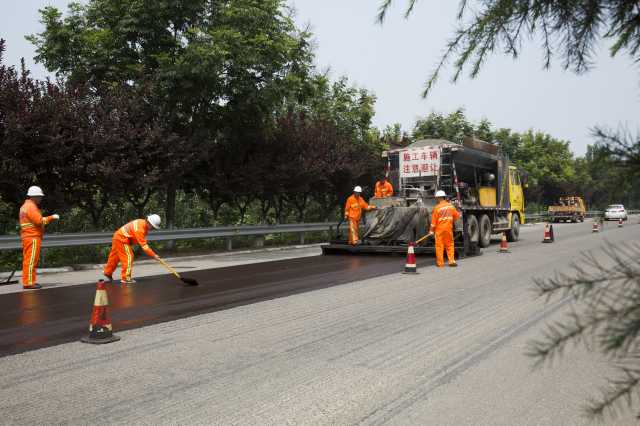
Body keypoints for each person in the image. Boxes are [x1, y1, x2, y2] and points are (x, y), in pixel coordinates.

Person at [19, 186, 60, 289]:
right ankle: (29, 283)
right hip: (32, 237)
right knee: (31, 260)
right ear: (34, 197)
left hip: (27, 236)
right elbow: (39, 221)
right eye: (39, 197)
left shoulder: (24, 206)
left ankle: (28, 281)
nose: (41, 199)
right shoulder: (31, 207)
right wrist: (52, 217)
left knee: (28, 260)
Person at [103, 214, 161, 284]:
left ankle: (107, 272)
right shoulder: (140, 229)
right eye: (152, 226)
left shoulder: (141, 222)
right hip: (122, 239)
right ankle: (126, 278)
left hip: (117, 236)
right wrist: (154, 255)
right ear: (149, 222)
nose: (152, 228)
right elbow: (144, 246)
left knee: (114, 257)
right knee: (129, 257)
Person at [428, 190, 461, 267]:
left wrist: (431, 231)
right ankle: (451, 261)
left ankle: (440, 263)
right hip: (448, 229)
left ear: (439, 198)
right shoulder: (451, 206)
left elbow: (433, 223)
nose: (436, 199)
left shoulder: (437, 208)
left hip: (439, 230)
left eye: (436, 198)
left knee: (439, 246)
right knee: (450, 245)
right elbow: (457, 216)